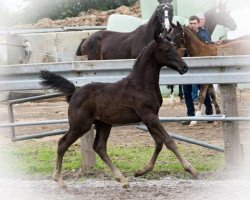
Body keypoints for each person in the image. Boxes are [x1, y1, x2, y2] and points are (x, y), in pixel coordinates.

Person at [182, 15, 213, 125]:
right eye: (191, 23)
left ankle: (209, 113)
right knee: (187, 91)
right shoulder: (184, 34)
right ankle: (190, 115)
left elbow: (208, 45)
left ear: (199, 23)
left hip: (200, 67)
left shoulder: (203, 33)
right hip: (187, 66)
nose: (192, 25)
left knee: (203, 89)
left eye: (194, 23)